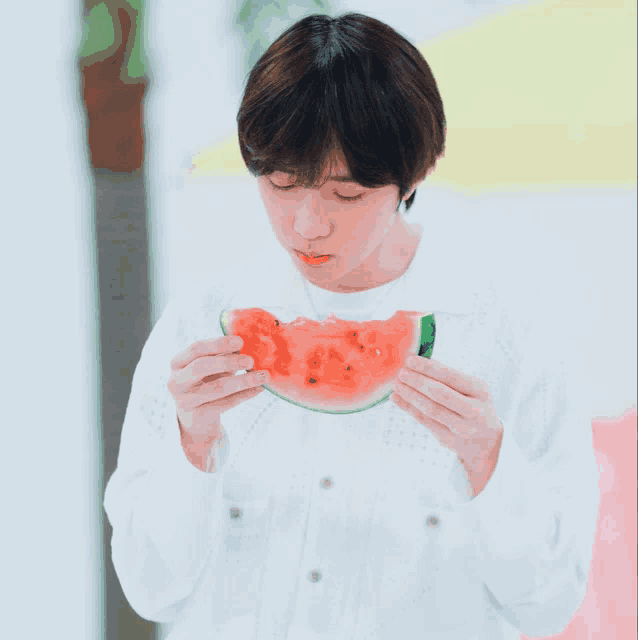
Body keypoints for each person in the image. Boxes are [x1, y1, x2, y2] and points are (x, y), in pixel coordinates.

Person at [104, 12, 600, 640]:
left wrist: (490, 461)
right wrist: (192, 446)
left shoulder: (508, 339)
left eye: (346, 195)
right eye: (281, 183)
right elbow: (152, 592)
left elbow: (549, 605)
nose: (306, 225)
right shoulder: (205, 327)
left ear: (417, 172)